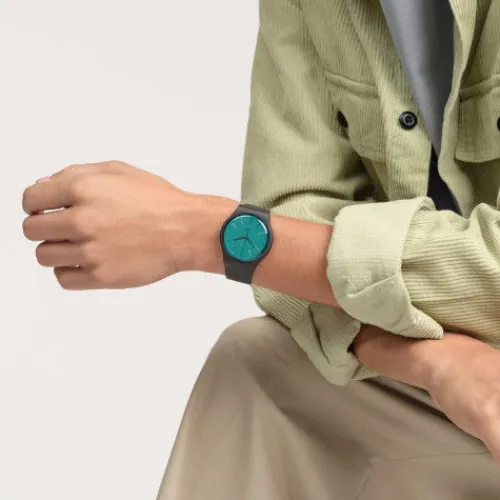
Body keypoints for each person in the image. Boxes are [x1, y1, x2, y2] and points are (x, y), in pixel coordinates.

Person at [21, 0, 500, 498]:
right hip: (464, 385)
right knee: (256, 361)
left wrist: (201, 233)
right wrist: (433, 359)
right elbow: (290, 233)